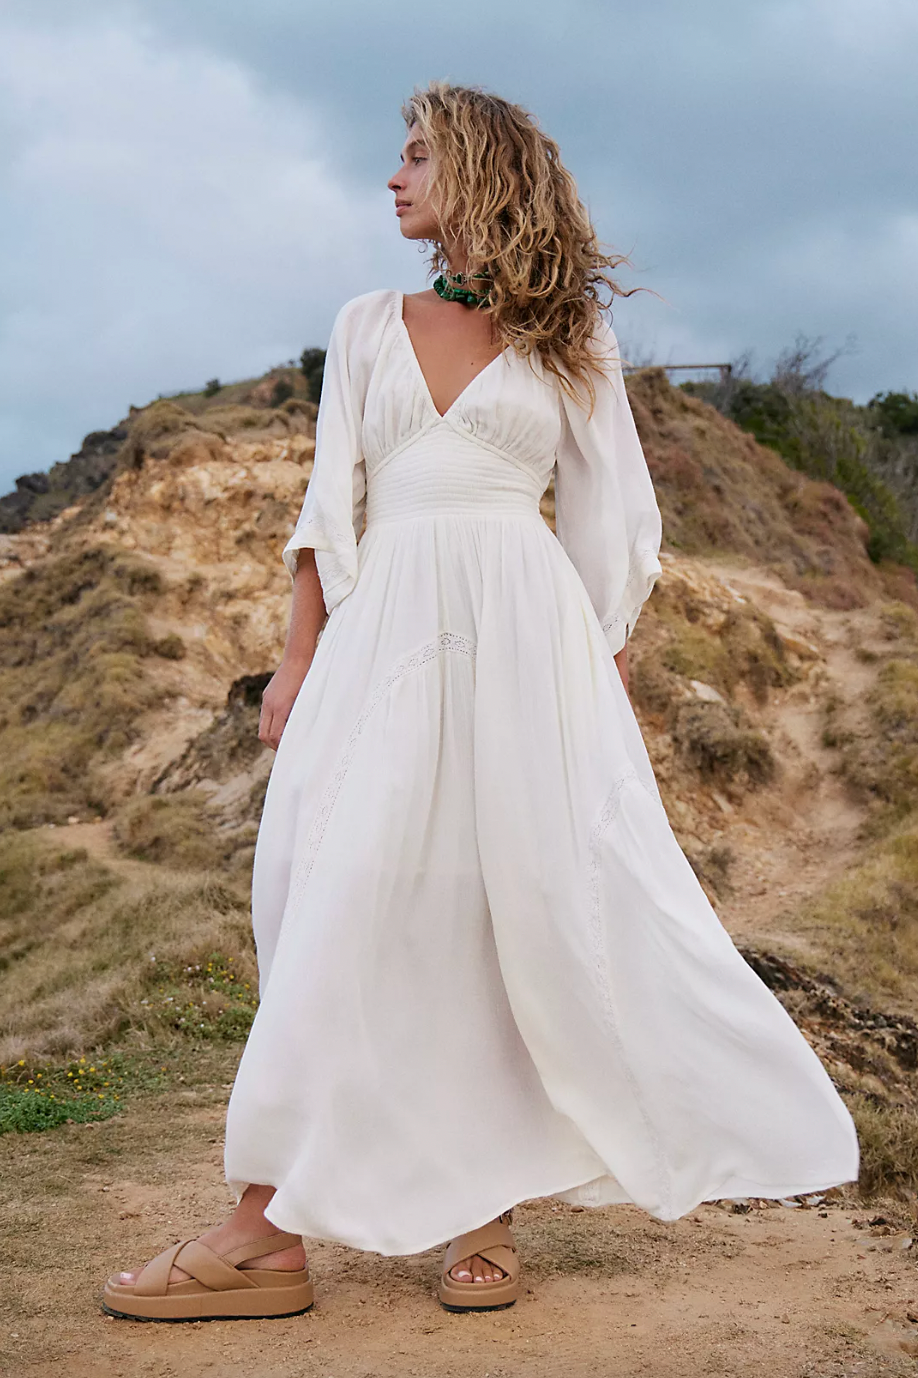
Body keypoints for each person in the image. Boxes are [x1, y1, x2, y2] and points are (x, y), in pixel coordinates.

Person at [102, 81, 859, 1323]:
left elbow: (616, 518)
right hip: (386, 623)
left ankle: (476, 1213)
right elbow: (324, 511)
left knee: (500, 910)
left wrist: (597, 667)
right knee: (325, 886)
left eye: (415, 158)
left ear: (478, 172)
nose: (392, 180)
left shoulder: (572, 341)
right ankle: (270, 1218)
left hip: (523, 635)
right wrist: (295, 660)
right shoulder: (361, 324)